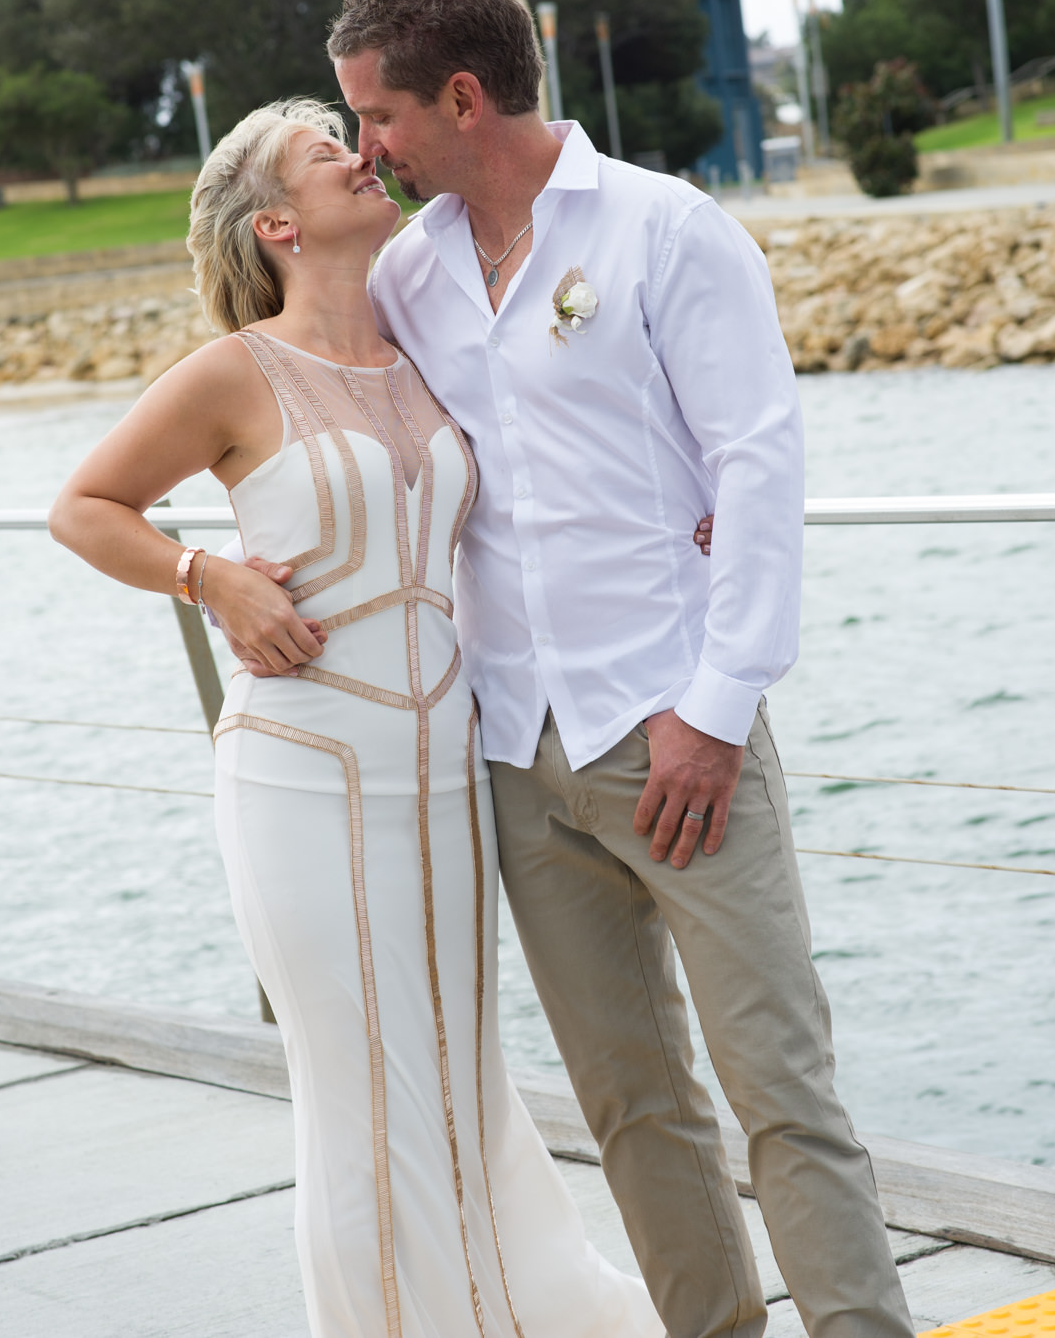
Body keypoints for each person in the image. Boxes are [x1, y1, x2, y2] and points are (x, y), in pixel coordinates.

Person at [230, 0, 915, 1338]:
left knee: (780, 1085)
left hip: (678, 735)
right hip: (514, 759)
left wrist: (715, 710)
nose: (368, 147)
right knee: (632, 1104)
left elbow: (759, 466)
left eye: (378, 115)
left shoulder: (669, 229)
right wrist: (233, 561)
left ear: (462, 97)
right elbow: (332, 413)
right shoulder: (412, 271)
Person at [48, 99, 663, 1338]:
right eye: (327, 152)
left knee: (455, 1071)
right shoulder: (236, 369)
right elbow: (84, 506)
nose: (360, 155)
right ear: (276, 224)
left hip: (445, 770)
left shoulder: (428, 340)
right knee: (356, 1092)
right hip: (301, 765)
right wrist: (205, 577)